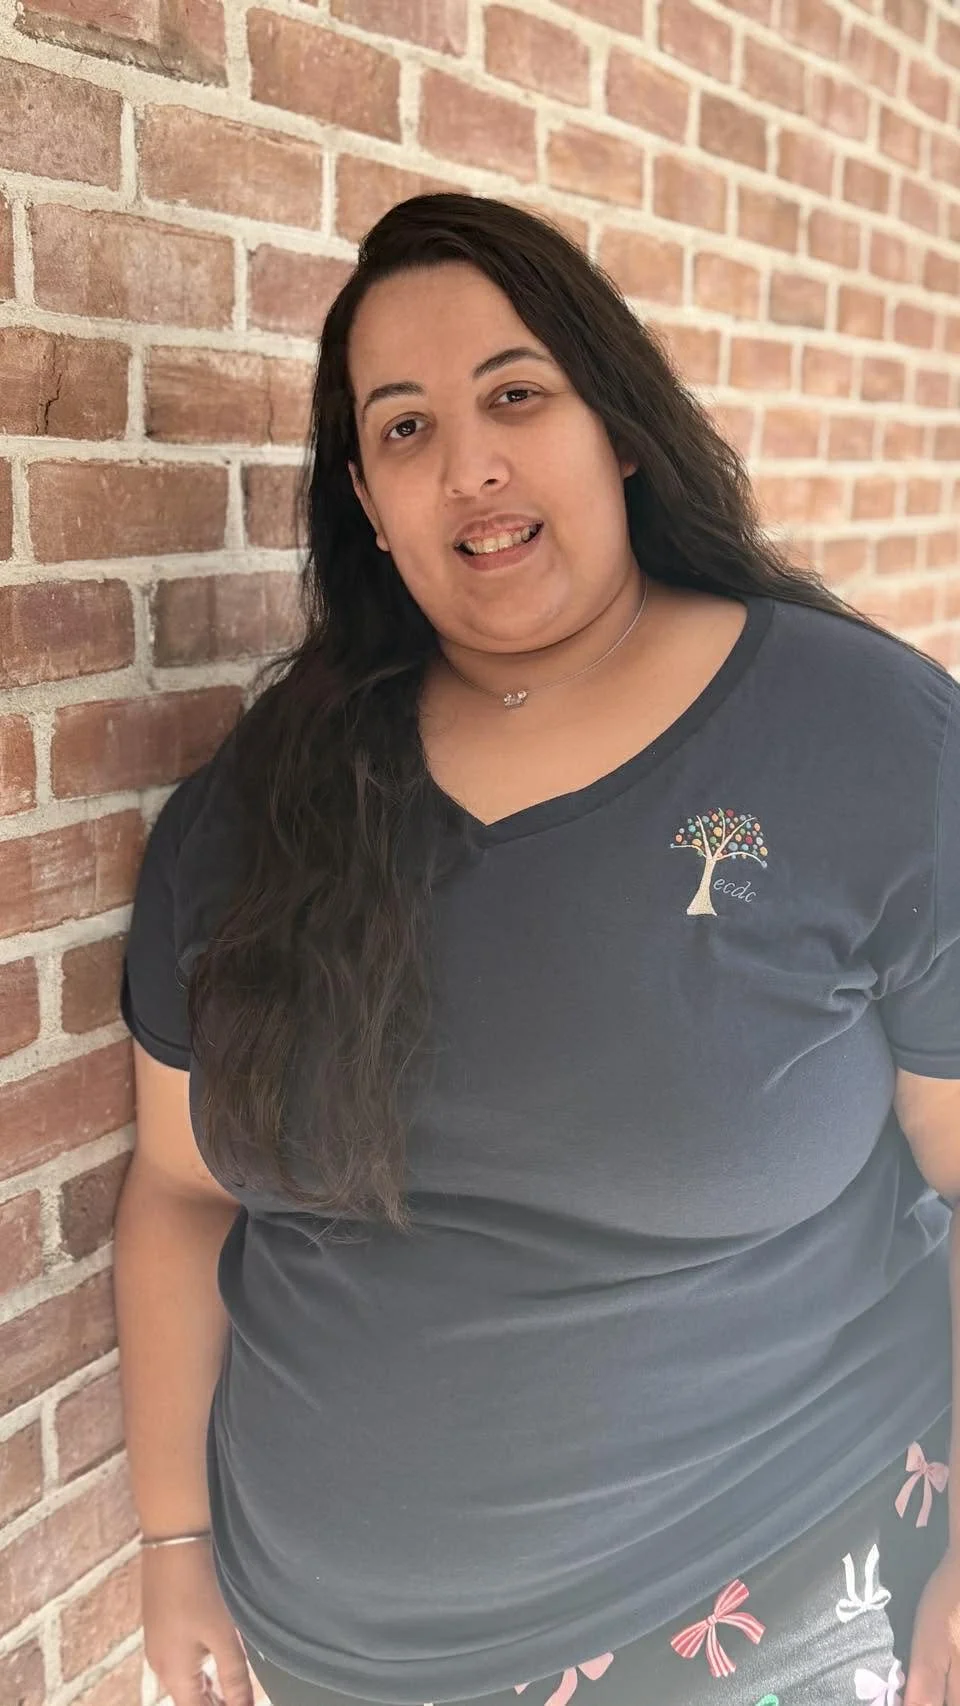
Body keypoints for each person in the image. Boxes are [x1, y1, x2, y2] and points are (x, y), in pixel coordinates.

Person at [114, 192, 960, 1706]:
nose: (471, 466)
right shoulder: (260, 804)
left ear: (617, 428)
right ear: (367, 500)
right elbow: (181, 1190)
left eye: (516, 396)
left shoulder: (866, 742)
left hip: (759, 1608)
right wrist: (174, 1539)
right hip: (325, 1661)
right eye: (406, 429)